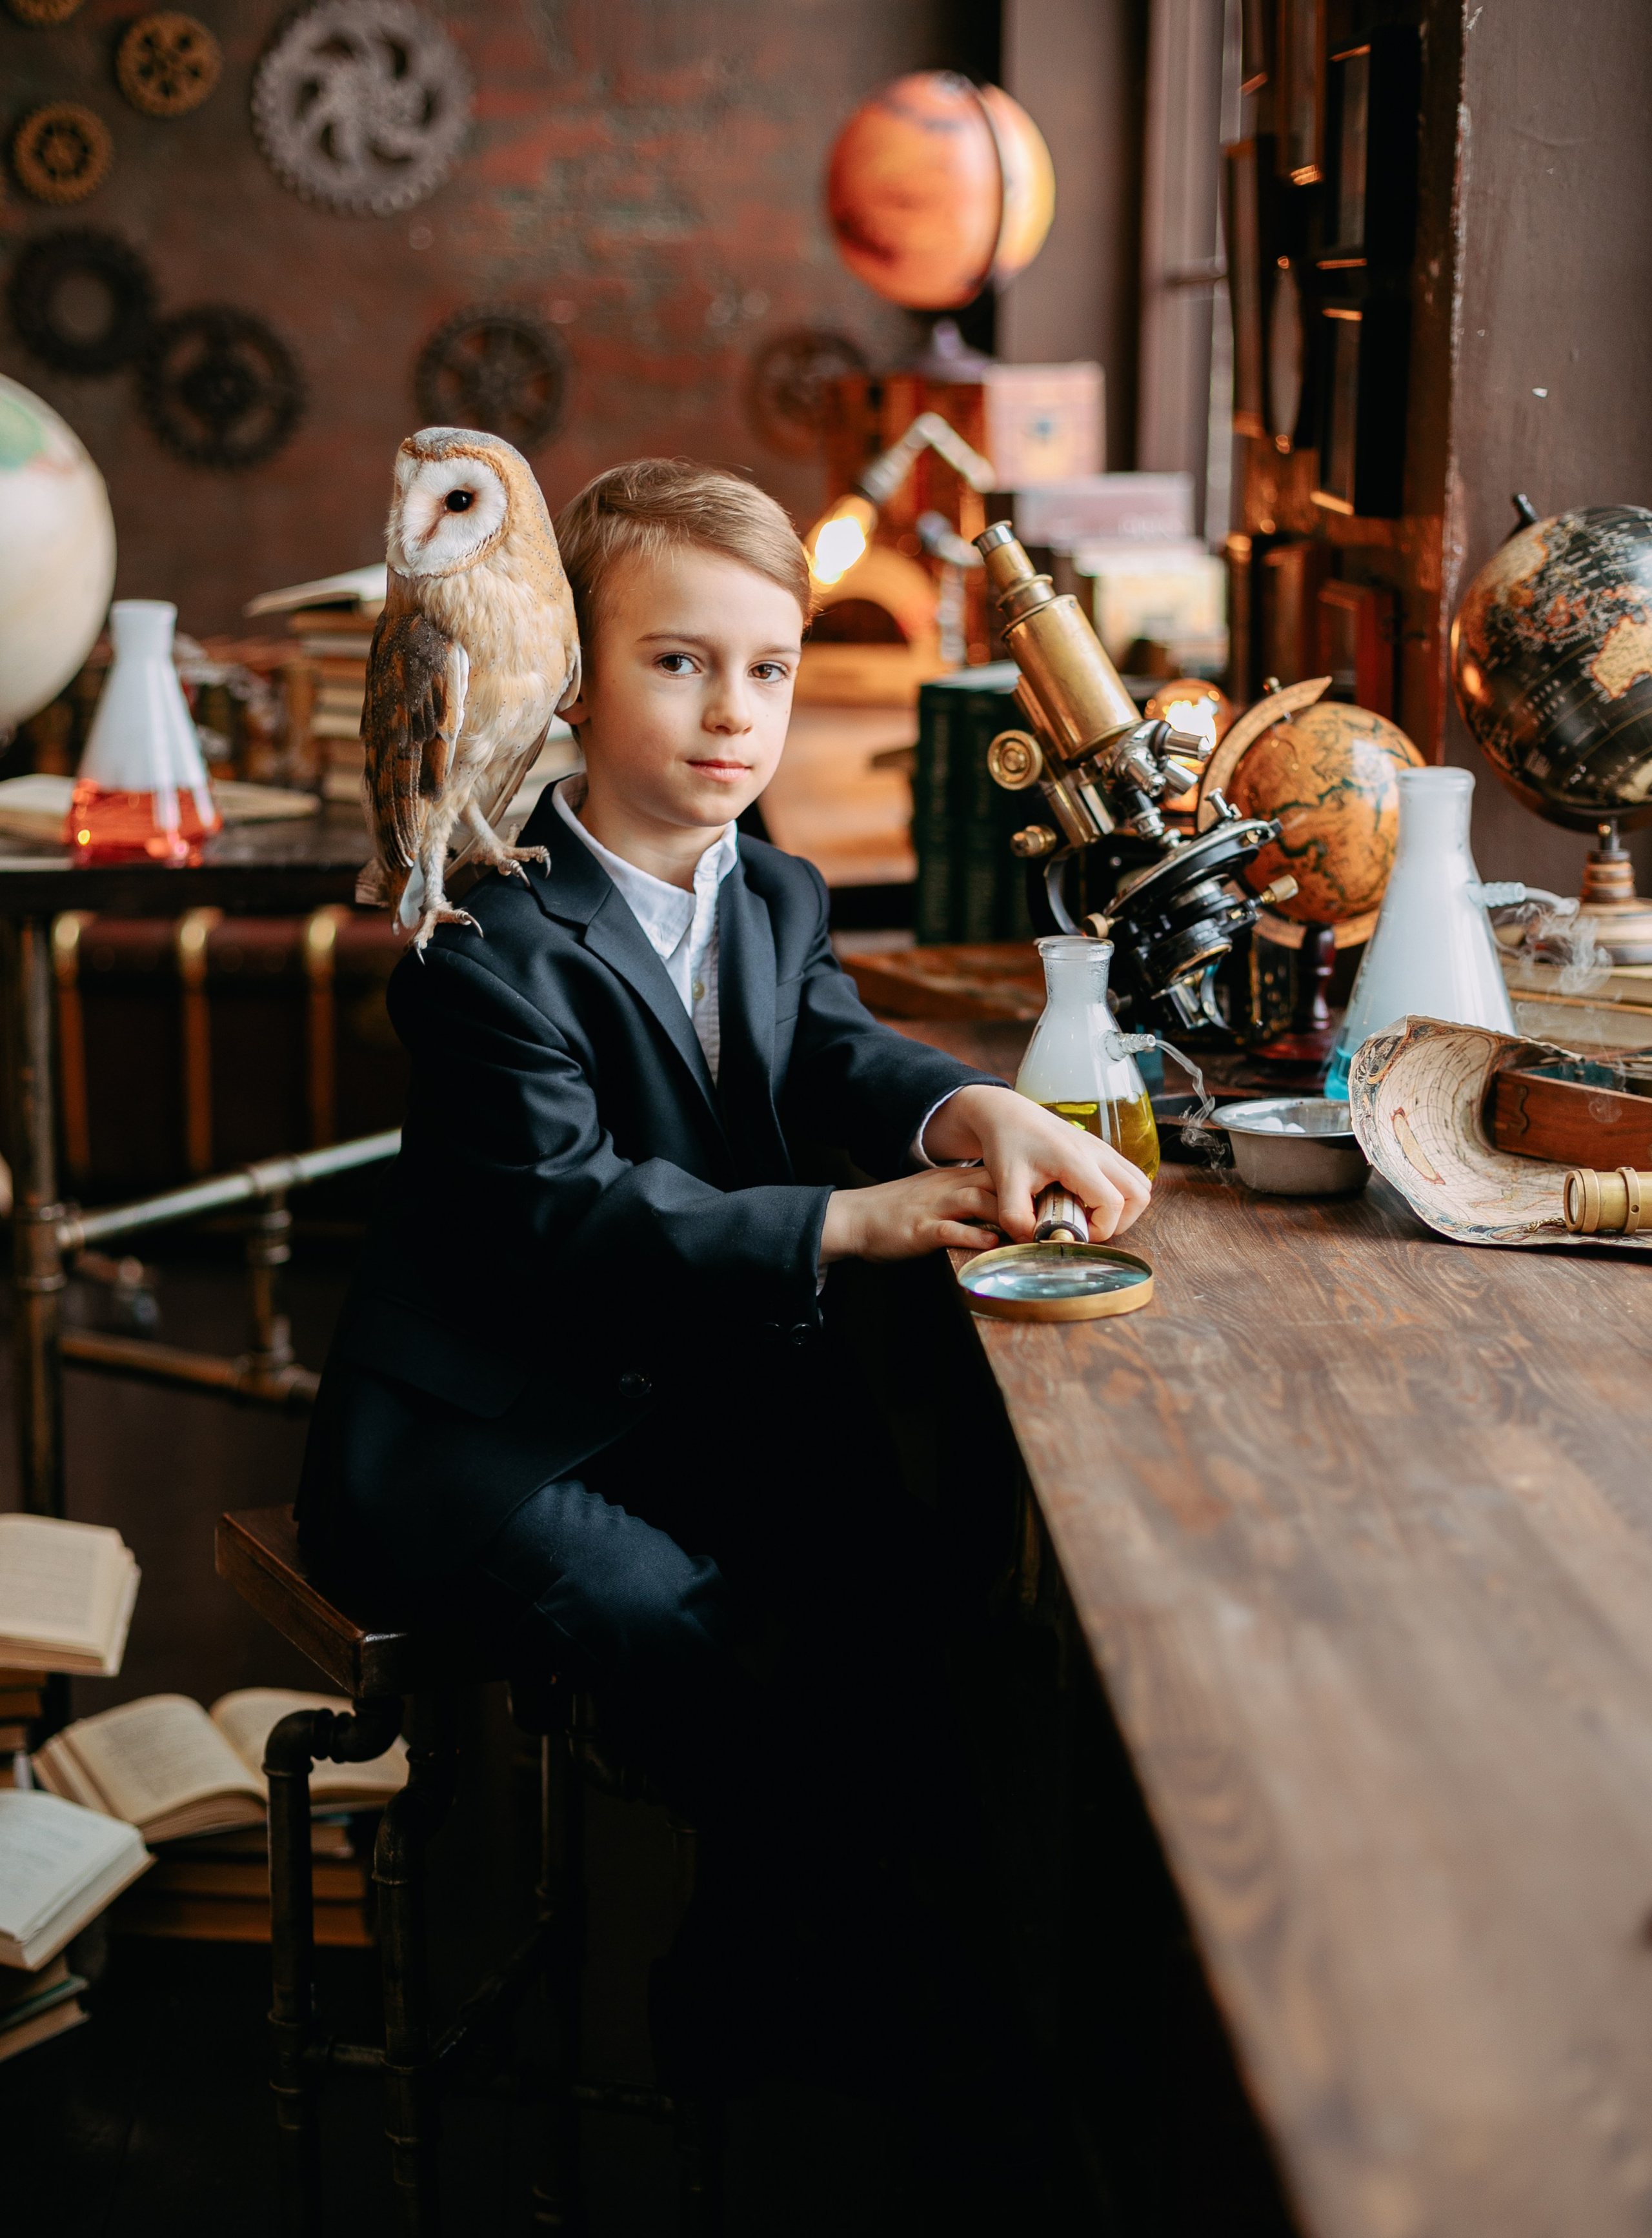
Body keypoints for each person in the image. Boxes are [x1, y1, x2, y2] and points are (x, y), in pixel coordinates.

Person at [296, 458, 1149, 1988]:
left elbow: (832, 1042)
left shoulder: (774, 892)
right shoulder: (483, 941)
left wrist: (966, 1110)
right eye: (678, 663)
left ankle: (885, 1946)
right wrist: (856, 1221)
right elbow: (573, 1218)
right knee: (668, 1618)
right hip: (482, 1429)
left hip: (660, 1381)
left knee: (892, 1574)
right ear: (569, 678)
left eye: (768, 669)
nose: (731, 714)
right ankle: (778, 1973)